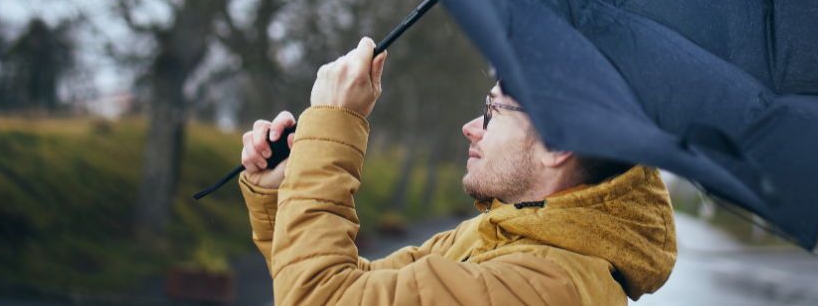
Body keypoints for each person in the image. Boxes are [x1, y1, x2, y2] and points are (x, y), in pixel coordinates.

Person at [238, 38, 677, 305]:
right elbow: (343, 283)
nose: (471, 127)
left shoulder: (542, 289)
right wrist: (280, 193)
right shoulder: (502, 234)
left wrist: (334, 121)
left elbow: (320, 297)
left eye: (493, 111)